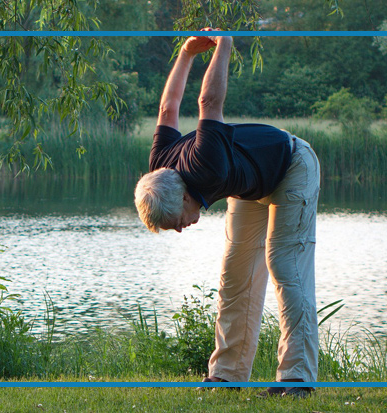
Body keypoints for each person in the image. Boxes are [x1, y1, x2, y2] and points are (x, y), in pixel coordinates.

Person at [134, 29, 321, 398]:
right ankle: (227, 374)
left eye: (176, 224)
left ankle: (297, 378)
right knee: (235, 274)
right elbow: (168, 109)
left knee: (284, 264)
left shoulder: (206, 166)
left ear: (185, 198)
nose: (182, 230)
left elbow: (209, 101)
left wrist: (225, 44)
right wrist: (186, 53)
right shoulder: (160, 167)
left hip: (293, 165)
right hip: (251, 183)